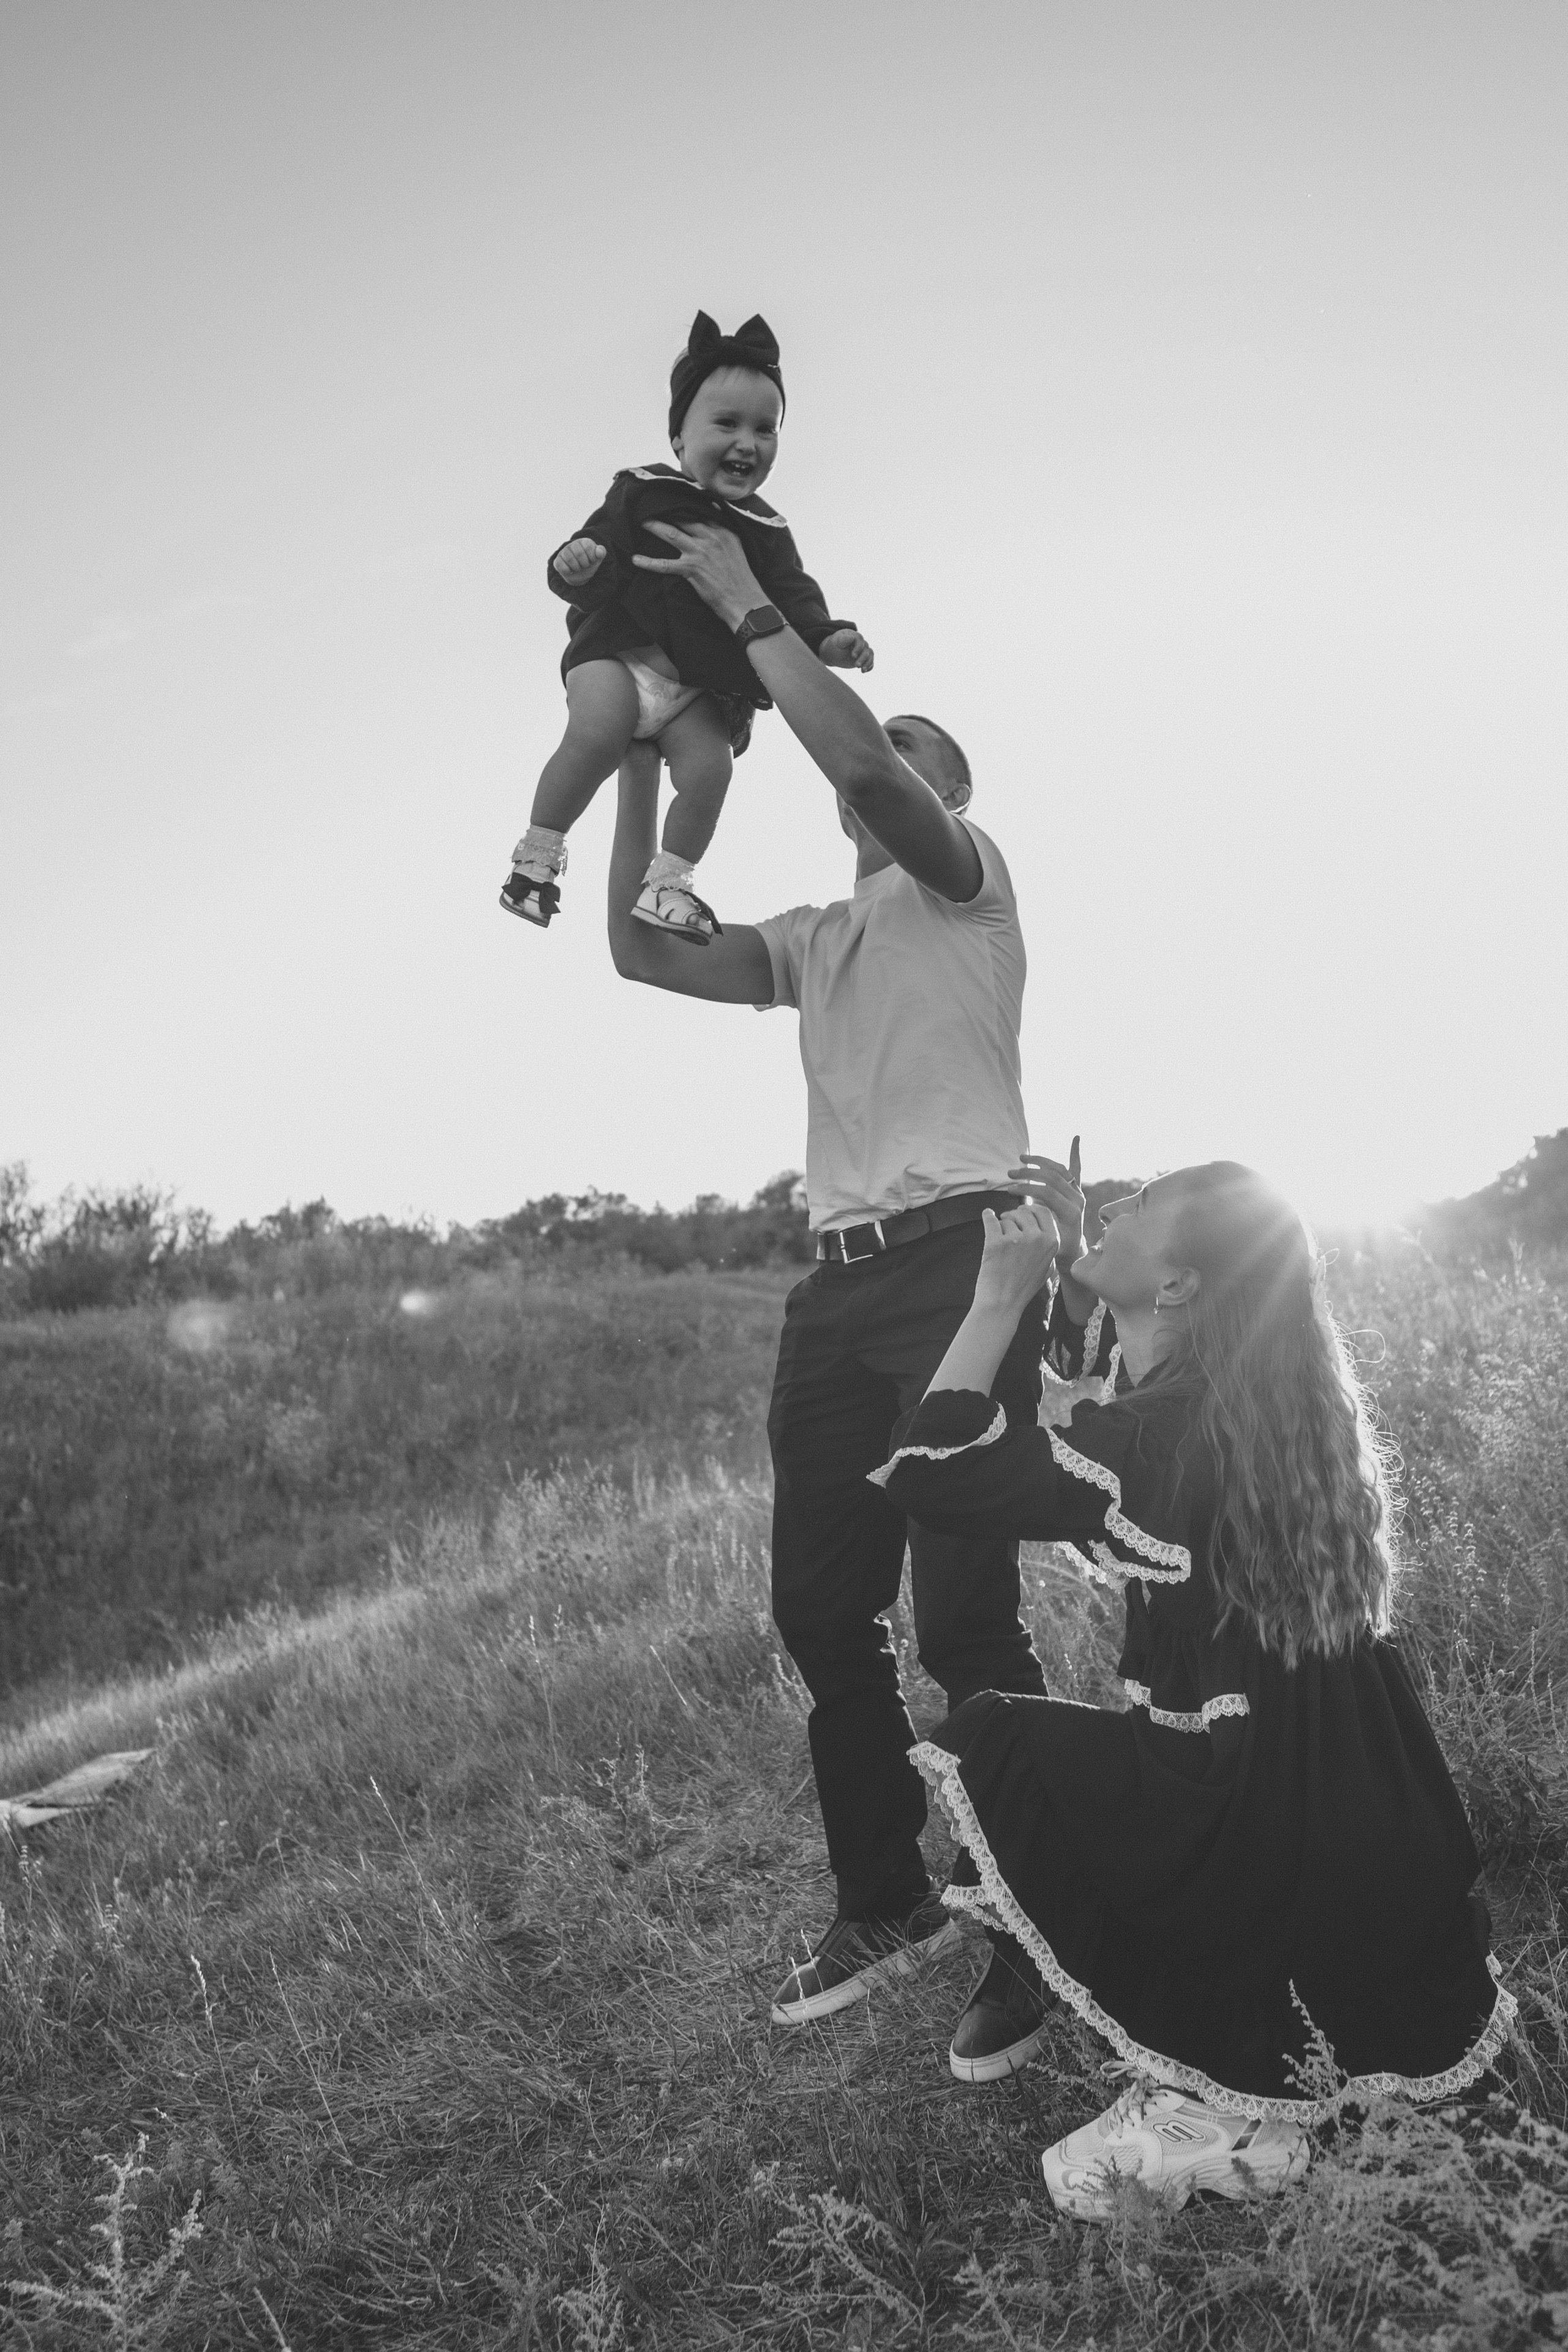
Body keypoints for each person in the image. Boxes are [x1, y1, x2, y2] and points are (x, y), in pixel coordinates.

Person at [603, 512, 1056, 2079]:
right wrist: (647, 766)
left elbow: (863, 770)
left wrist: (744, 603)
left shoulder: (962, 885)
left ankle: (1028, 1917)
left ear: (953, 794)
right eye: (893, 742)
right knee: (818, 1607)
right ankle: (886, 1899)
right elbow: (642, 964)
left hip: (960, 1266)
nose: (890, 762)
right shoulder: (812, 938)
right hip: (835, 1291)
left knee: (968, 1618)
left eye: (921, 748)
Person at [873, 1161, 1515, 2217]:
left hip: (1244, 1798)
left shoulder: (1164, 1431)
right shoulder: (1231, 1402)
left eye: (1136, 1212)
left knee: (1000, 1746)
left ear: (1178, 1287)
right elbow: (1087, 1400)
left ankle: (1239, 2111)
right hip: (1339, 1789)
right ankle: (1264, 2088)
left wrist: (997, 1294)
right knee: (1131, 1786)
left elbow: (935, 1474)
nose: (1114, 1202)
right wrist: (1073, 1284)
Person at [501, 311, 872, 943]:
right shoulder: (643, 491)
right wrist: (579, 561)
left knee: (712, 771)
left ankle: (669, 885)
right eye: (725, 424)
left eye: (765, 429)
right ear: (679, 440)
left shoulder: (768, 530)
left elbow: (792, 600)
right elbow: (598, 548)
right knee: (597, 734)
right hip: (622, 654)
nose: (747, 443)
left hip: (696, 690)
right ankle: (536, 857)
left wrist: (828, 637)